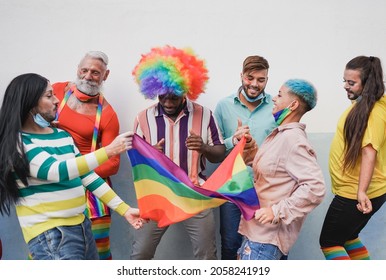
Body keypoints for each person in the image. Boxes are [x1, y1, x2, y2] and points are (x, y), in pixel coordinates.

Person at [0, 73, 144, 260]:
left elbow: (87, 175)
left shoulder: (61, 135)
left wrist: (125, 209)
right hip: (51, 235)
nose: (57, 100)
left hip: (82, 227)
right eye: (49, 95)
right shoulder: (19, 143)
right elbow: (56, 170)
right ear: (31, 103)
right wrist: (108, 151)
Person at [130, 45, 226, 260]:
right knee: (140, 253)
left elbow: (219, 153)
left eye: (174, 97)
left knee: (206, 256)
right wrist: (149, 155)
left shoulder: (204, 115)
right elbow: (135, 160)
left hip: (195, 193)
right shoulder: (143, 118)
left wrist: (204, 147)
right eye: (163, 96)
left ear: (186, 89)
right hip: (158, 194)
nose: (168, 102)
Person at [237, 79, 326, 260]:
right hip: (255, 232)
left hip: (266, 239)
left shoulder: (293, 140)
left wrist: (276, 211)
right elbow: (273, 171)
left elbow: (315, 188)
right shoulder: (280, 135)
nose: (274, 99)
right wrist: (251, 148)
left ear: (293, 105)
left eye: (279, 94)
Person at [52, 51, 119, 260]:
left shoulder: (108, 115)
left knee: (98, 251)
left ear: (105, 76)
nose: (88, 76)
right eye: (85, 70)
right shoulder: (55, 91)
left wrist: (76, 169)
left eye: (95, 73)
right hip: (53, 180)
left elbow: (113, 163)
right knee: (48, 246)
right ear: (77, 70)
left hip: (90, 188)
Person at [319, 56, 386, 260]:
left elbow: (369, 151)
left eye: (351, 83)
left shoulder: (375, 112)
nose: (345, 86)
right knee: (349, 238)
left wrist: (361, 192)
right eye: (345, 81)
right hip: (356, 189)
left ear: (367, 84)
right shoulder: (364, 106)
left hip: (354, 192)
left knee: (330, 242)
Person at [214, 55, 277, 260]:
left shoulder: (276, 108)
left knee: (266, 246)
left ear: (267, 79)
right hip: (233, 188)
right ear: (241, 76)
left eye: (261, 80)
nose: (255, 84)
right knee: (231, 245)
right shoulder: (224, 106)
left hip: (266, 188)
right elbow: (216, 151)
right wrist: (233, 140)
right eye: (250, 78)